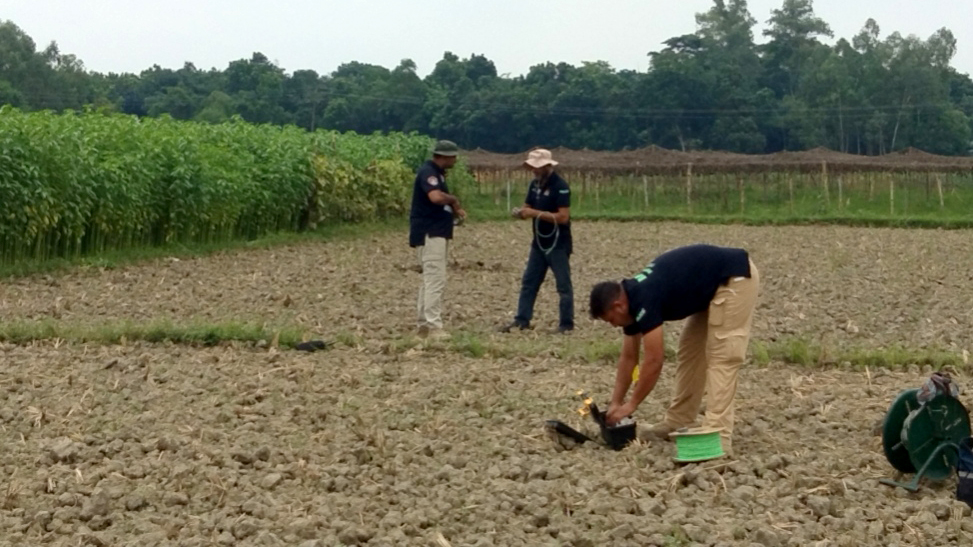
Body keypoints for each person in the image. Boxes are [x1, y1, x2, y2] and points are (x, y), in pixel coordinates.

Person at [588, 244, 760, 456]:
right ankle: (679, 420)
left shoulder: (644, 298)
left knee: (722, 356)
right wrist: (616, 402)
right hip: (709, 291)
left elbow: (654, 360)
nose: (614, 325)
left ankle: (719, 435)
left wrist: (631, 405)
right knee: (690, 353)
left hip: (734, 279)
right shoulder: (629, 304)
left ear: (617, 306)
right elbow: (629, 357)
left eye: (611, 320)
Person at [499, 148, 574, 334]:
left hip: (558, 244)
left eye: (537, 167)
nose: (534, 170)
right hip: (539, 243)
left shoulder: (560, 186)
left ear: (548, 166)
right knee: (529, 282)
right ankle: (522, 319)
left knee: (563, 285)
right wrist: (521, 212)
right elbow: (528, 206)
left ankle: (566, 324)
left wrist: (535, 214)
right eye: (532, 167)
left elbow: (563, 217)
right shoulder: (534, 185)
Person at [409, 140, 466, 339]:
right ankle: (433, 326)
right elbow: (435, 197)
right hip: (431, 232)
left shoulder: (436, 173)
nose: (455, 160)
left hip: (433, 231)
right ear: (443, 156)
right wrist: (453, 200)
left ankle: (424, 324)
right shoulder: (429, 173)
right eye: (452, 156)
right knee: (435, 279)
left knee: (430, 279)